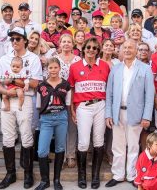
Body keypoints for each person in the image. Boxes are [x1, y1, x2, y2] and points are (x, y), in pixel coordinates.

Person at [0, 27, 42, 189]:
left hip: (25, 99)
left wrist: (16, 81)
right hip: (8, 98)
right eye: (12, 39)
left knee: (27, 135)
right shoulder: (5, 58)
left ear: (25, 40)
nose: (14, 42)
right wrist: (6, 91)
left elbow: (35, 83)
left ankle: (28, 173)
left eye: (18, 39)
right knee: (7, 137)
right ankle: (10, 173)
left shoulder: (33, 58)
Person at [105, 39, 155, 187]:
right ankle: (118, 175)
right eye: (124, 48)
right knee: (117, 146)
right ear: (121, 50)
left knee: (133, 146)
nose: (127, 50)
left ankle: (132, 175)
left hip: (136, 113)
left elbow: (149, 95)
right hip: (117, 112)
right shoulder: (115, 68)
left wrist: (147, 116)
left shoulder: (145, 69)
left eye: (130, 48)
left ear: (136, 50)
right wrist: (108, 113)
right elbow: (109, 93)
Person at [68, 37, 110, 189]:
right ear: (83, 49)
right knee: (84, 142)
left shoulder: (105, 66)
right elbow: (72, 89)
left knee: (99, 141)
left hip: (101, 105)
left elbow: (109, 89)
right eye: (88, 47)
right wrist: (72, 108)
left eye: (94, 48)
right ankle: (81, 176)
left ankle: (95, 177)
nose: (91, 50)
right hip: (83, 107)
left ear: (98, 51)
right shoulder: (75, 67)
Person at [34, 57, 71, 190]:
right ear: (47, 69)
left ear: (59, 68)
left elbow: (67, 103)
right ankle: (45, 181)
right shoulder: (41, 86)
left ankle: (56, 180)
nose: (53, 70)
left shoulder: (66, 85)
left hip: (61, 117)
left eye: (56, 67)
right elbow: (38, 105)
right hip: (46, 119)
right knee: (42, 151)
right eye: (51, 68)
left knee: (60, 148)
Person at [52, 34, 80, 169]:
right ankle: (60, 155)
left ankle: (71, 155)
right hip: (59, 96)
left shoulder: (78, 59)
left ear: (73, 44)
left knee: (72, 126)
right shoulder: (55, 59)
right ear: (60, 43)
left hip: (75, 96)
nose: (66, 44)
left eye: (69, 41)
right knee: (60, 126)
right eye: (64, 41)